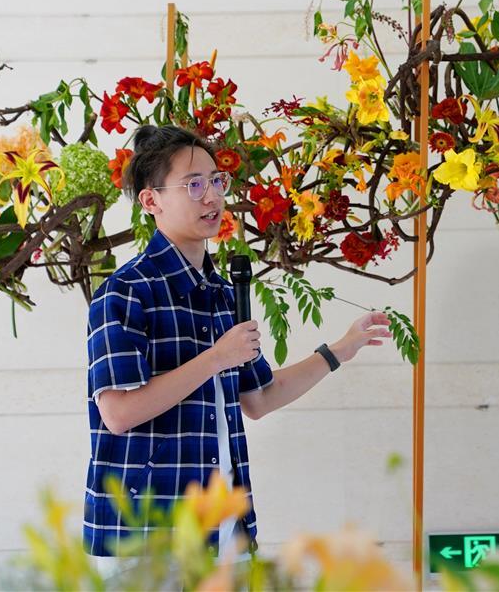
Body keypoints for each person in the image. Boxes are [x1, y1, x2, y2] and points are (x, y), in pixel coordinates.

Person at [83, 124, 392, 580]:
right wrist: (215, 358)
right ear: (151, 201)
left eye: (216, 180)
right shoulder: (125, 291)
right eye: (193, 185)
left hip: (225, 536)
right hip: (145, 539)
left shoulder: (224, 293)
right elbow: (119, 413)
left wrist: (341, 349)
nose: (211, 196)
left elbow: (259, 398)